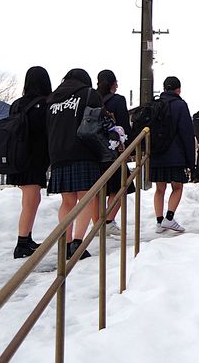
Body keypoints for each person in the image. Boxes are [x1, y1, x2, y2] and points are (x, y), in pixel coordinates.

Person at [47, 69, 104, 260]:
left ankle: (66, 243)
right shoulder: (88, 94)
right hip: (83, 151)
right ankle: (78, 243)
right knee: (86, 198)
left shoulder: (53, 99)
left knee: (67, 201)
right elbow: (100, 121)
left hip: (58, 154)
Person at [8, 66, 52, 259]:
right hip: (33, 158)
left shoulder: (16, 104)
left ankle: (26, 239)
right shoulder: (44, 104)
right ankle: (22, 243)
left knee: (30, 199)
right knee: (31, 200)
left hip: (17, 157)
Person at [150, 76, 195, 233]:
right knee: (177, 187)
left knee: (159, 189)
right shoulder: (180, 105)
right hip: (175, 154)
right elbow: (187, 134)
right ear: (178, 89)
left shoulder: (154, 104)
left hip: (156, 154)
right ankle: (169, 218)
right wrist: (191, 160)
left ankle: (159, 221)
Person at [94, 69, 134, 236]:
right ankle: (109, 221)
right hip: (113, 149)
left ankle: (96, 224)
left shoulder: (92, 99)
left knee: (98, 189)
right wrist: (130, 146)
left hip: (94, 149)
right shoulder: (118, 100)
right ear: (113, 83)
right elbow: (124, 124)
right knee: (119, 186)